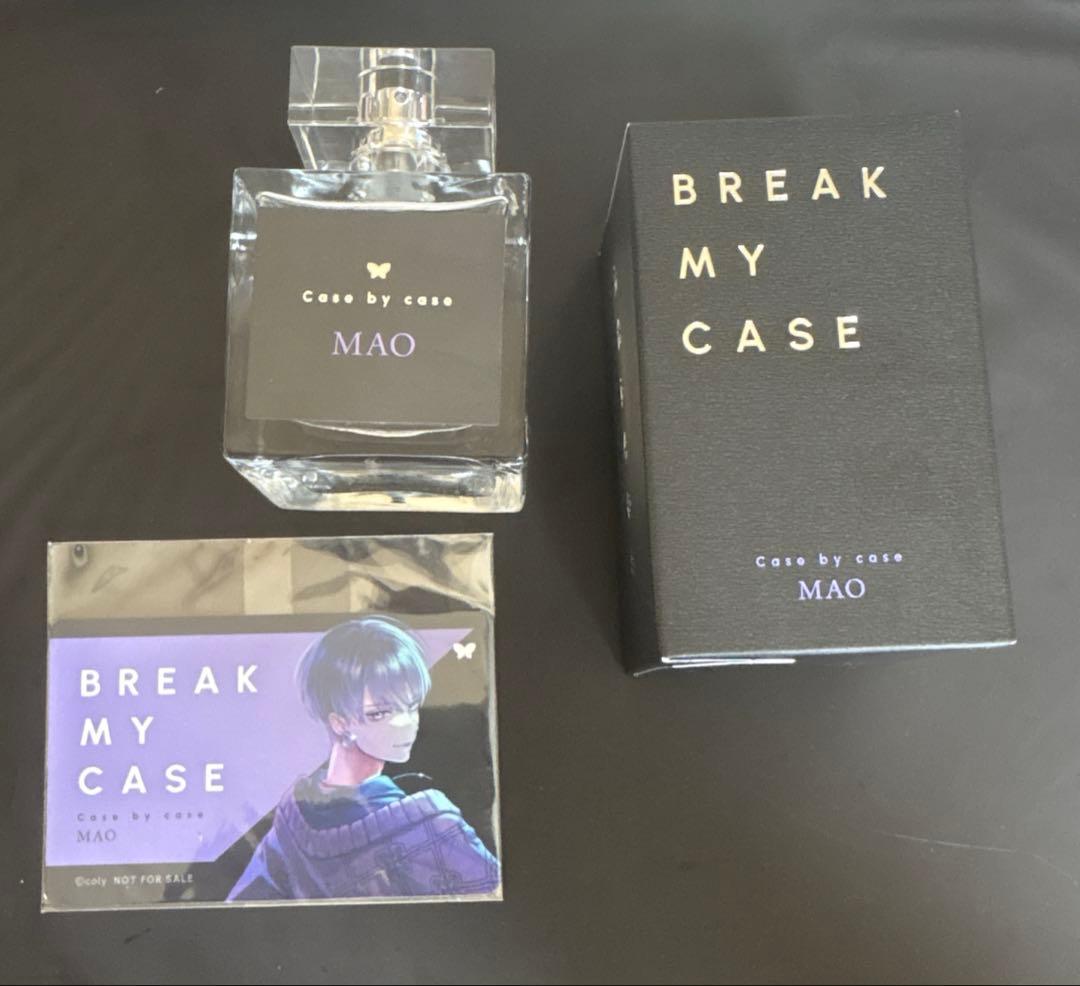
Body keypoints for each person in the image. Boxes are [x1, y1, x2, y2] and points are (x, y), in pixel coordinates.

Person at [227, 616, 499, 901]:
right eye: (380, 713)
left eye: (412, 707)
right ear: (339, 723)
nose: (406, 724)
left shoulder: (292, 822)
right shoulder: (431, 827)